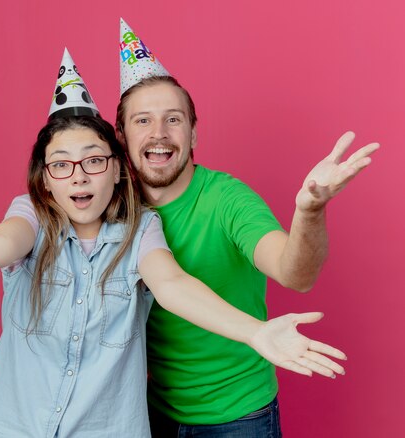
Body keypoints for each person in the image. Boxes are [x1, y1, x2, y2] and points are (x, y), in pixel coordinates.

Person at [0, 49, 346, 437]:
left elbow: (172, 284)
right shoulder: (33, 216)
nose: (79, 176)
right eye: (62, 165)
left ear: (117, 171)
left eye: (94, 160)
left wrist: (256, 331)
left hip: (183, 418)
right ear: (44, 178)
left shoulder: (148, 226)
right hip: (32, 422)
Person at [116, 19, 379, 437]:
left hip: (238, 417)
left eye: (174, 119)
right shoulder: (113, 207)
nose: (159, 134)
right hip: (148, 412)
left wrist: (309, 212)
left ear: (194, 132)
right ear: (122, 136)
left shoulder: (229, 200)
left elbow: (296, 273)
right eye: (142, 121)